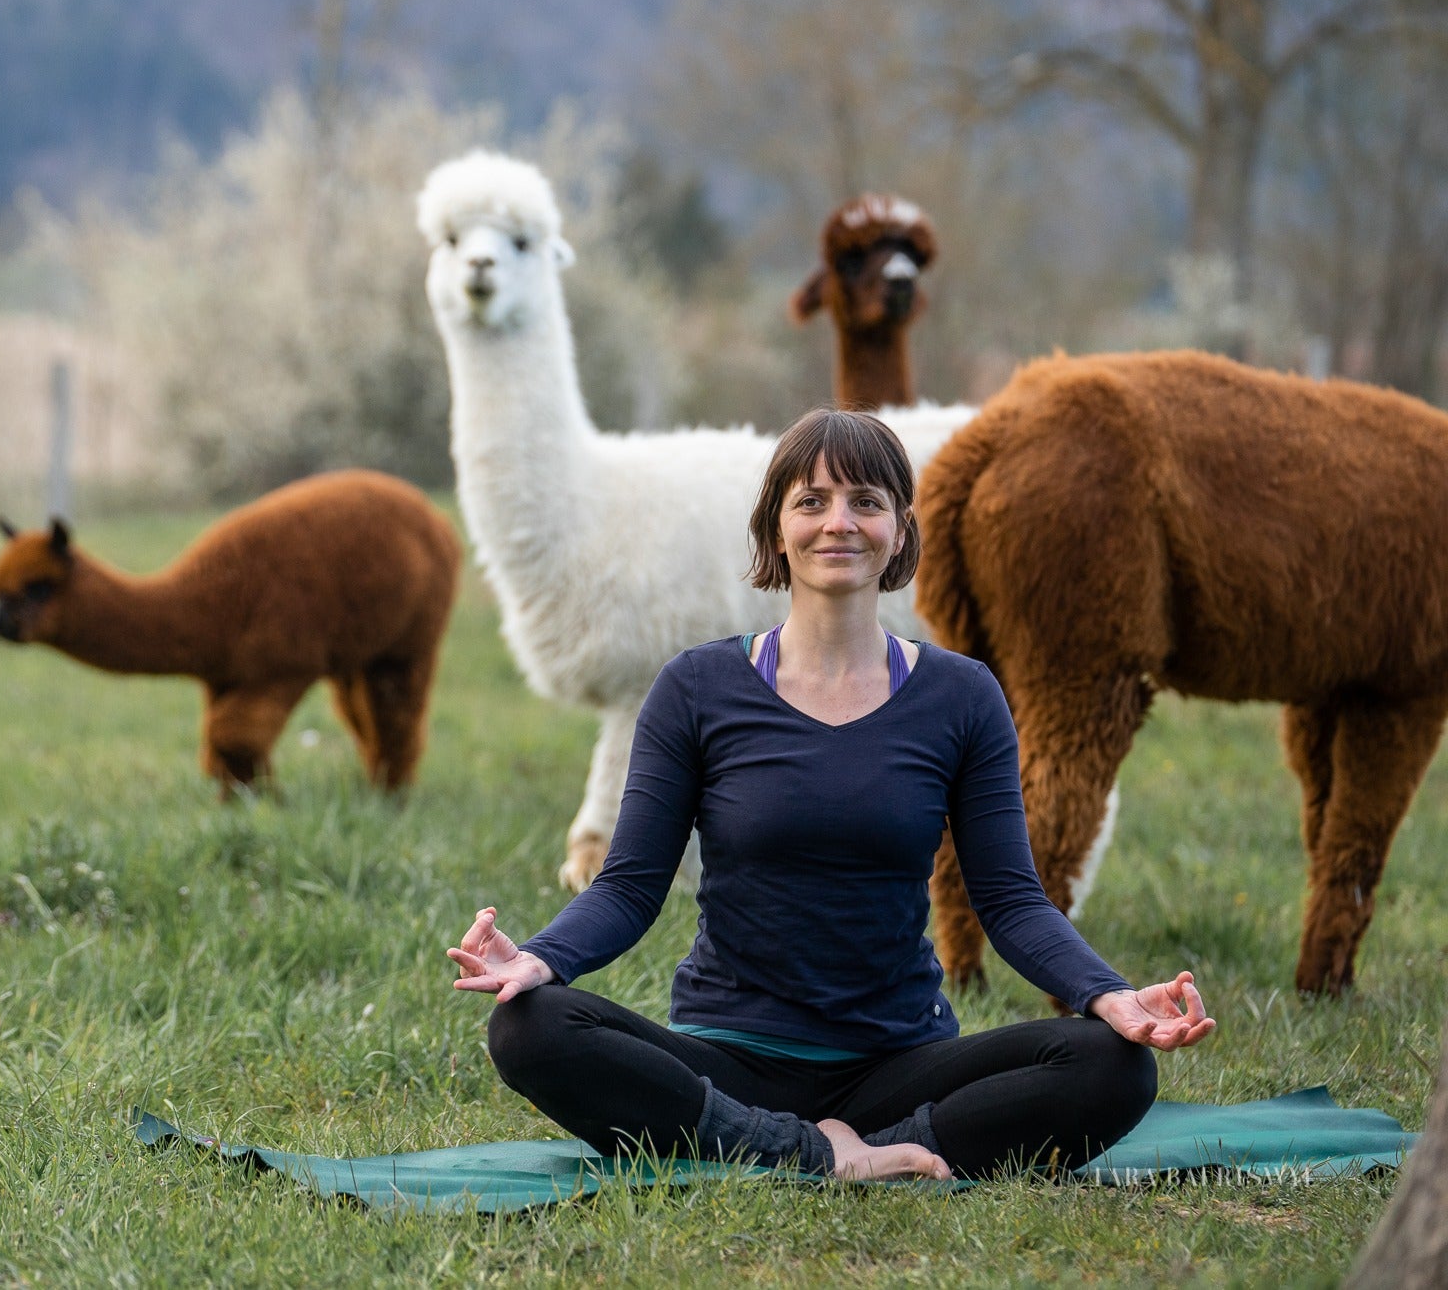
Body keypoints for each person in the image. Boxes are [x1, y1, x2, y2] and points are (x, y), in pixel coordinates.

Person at [447, 408, 1215, 1182]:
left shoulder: (963, 695)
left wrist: (1107, 994)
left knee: (1113, 1066)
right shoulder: (696, 686)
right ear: (774, 528)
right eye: (811, 501)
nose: (838, 523)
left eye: (866, 501)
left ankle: (883, 1142)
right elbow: (630, 884)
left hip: (899, 1064)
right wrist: (542, 957)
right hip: (727, 1057)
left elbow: (1011, 899)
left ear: (902, 529)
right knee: (529, 1027)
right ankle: (813, 1152)